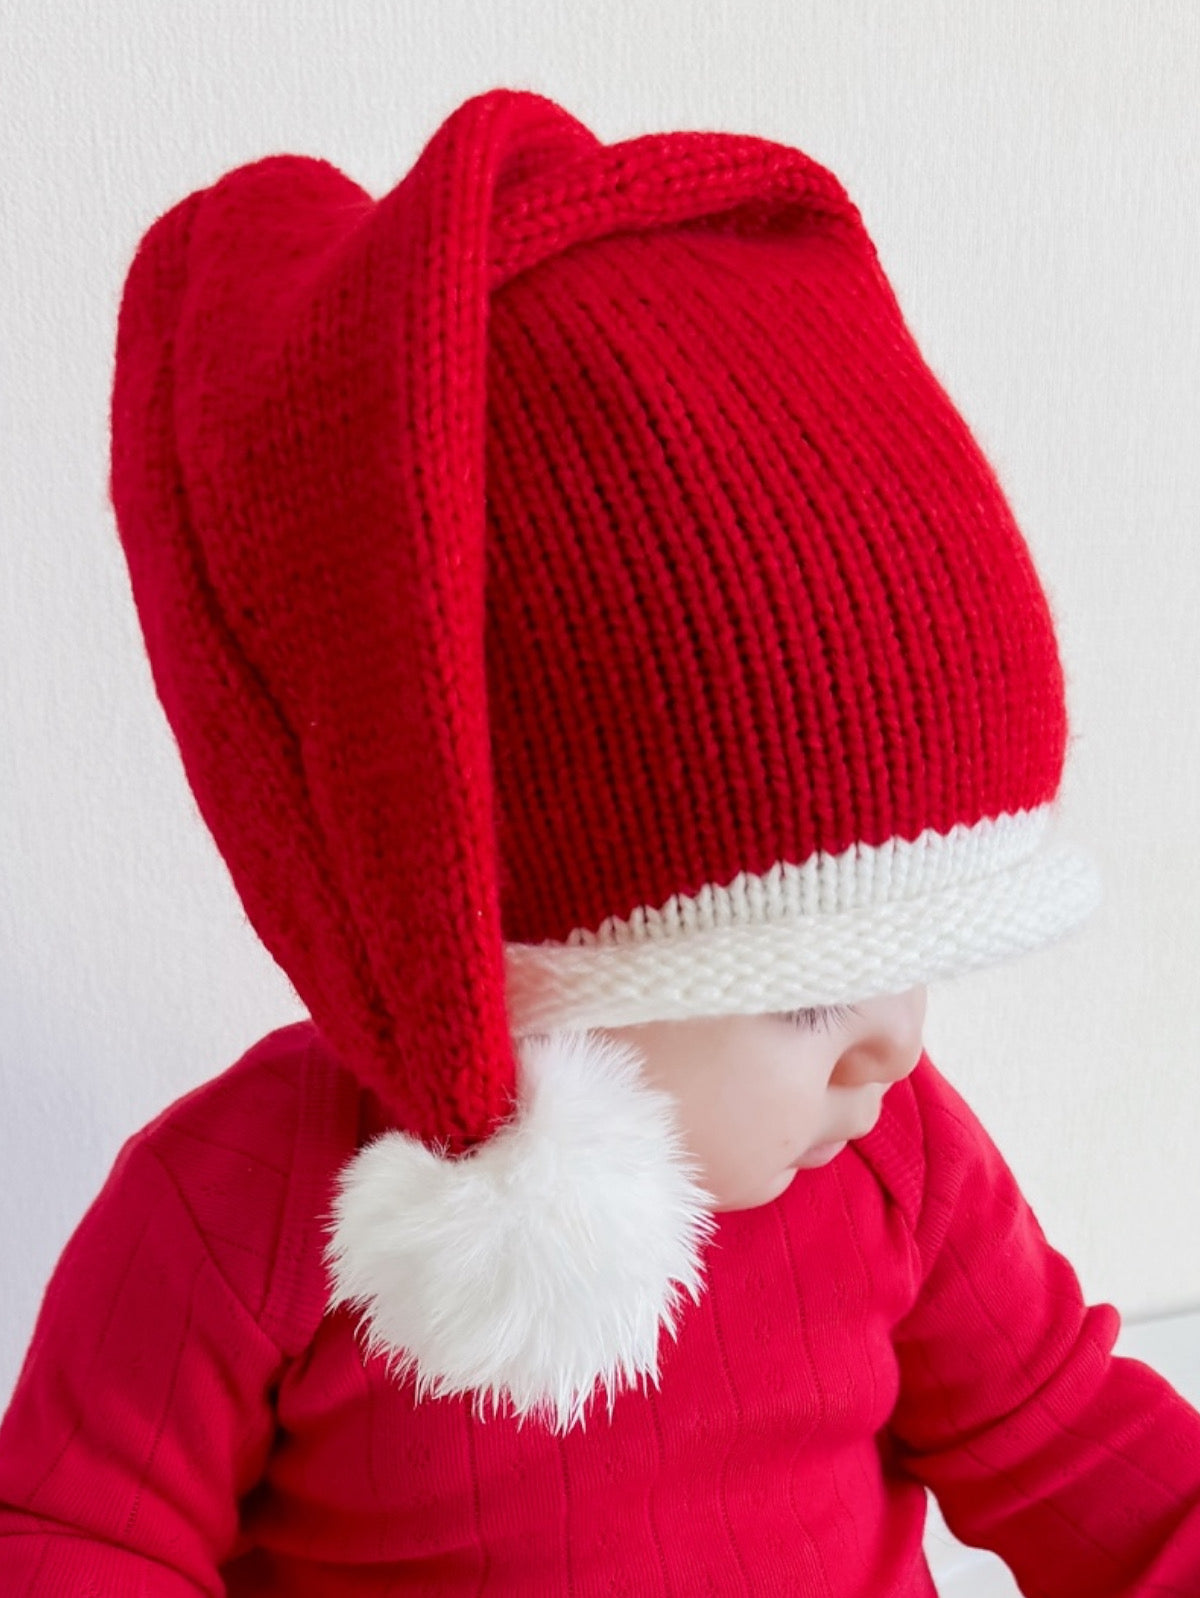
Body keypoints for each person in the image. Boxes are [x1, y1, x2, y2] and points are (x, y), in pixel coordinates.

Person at [1, 84, 1198, 1597]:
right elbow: (80, 1539)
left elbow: (1075, 1441)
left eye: (920, 965)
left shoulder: (896, 1161)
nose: (893, 1048)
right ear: (507, 965)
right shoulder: (235, 1211)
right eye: (806, 991)